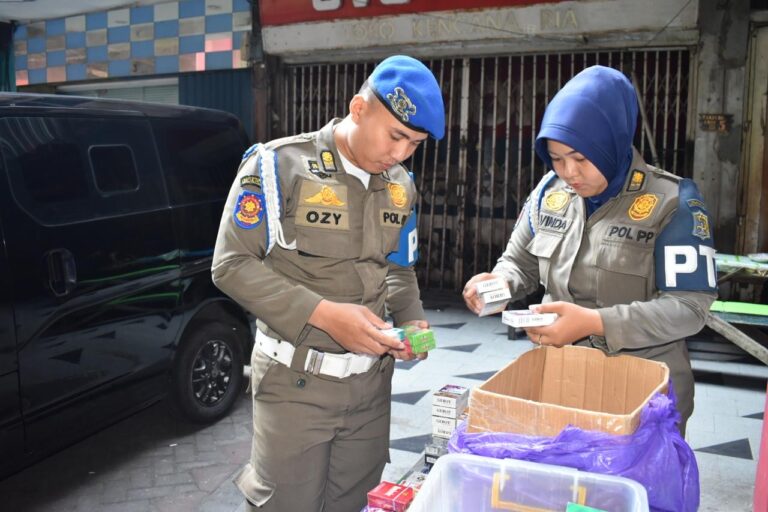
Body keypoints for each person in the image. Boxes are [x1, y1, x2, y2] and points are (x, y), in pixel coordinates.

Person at [212, 55, 445, 511]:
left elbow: (397, 267)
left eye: (415, 144)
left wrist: (413, 321)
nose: (400, 154)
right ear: (359, 108)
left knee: (354, 503)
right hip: (295, 386)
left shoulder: (401, 185)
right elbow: (231, 264)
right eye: (395, 135)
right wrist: (323, 315)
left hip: (371, 389)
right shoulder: (278, 166)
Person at [463, 65, 716, 435]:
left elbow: (690, 309)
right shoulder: (549, 193)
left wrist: (596, 323)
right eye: (556, 157)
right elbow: (519, 263)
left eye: (581, 158)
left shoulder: (672, 202)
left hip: (643, 396)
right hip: (560, 383)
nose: (568, 172)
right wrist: (498, 285)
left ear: (612, 142)